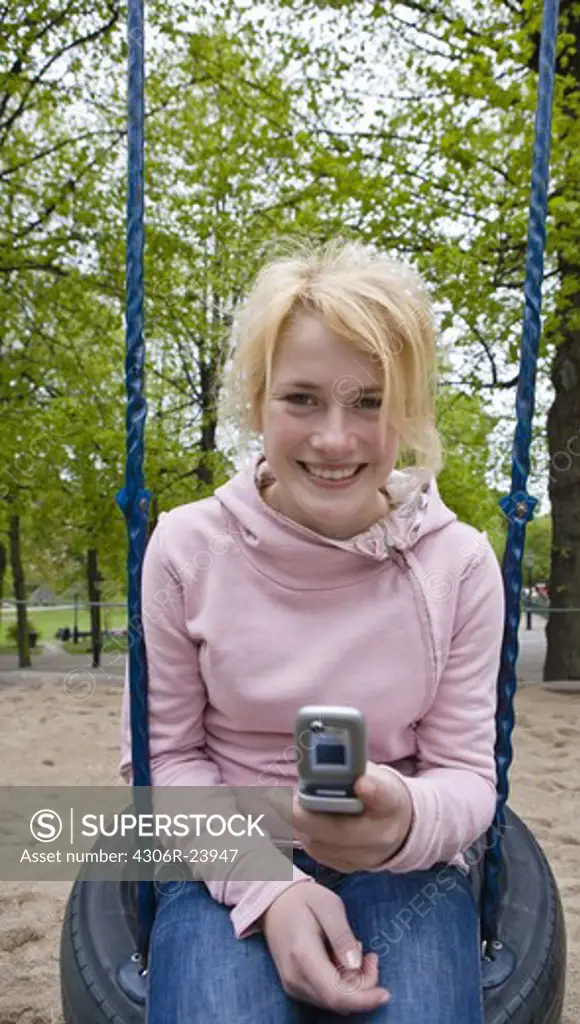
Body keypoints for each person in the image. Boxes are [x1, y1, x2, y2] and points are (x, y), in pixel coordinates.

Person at [119, 238, 505, 1023]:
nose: (335, 440)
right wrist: (270, 889)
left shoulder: (457, 563)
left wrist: (402, 818)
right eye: (301, 399)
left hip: (406, 865)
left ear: (405, 411)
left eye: (368, 402)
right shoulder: (188, 549)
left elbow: (468, 773)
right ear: (257, 403)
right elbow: (162, 759)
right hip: (222, 849)